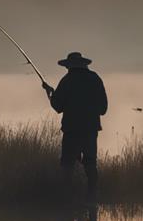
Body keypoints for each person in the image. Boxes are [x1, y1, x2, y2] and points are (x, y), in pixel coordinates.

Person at [42, 51, 108, 201]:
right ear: (84, 64)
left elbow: (58, 106)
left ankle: (67, 199)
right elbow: (103, 109)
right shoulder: (95, 79)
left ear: (69, 66)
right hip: (91, 130)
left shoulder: (67, 80)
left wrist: (49, 93)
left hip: (71, 131)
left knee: (67, 165)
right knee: (90, 164)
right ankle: (92, 198)